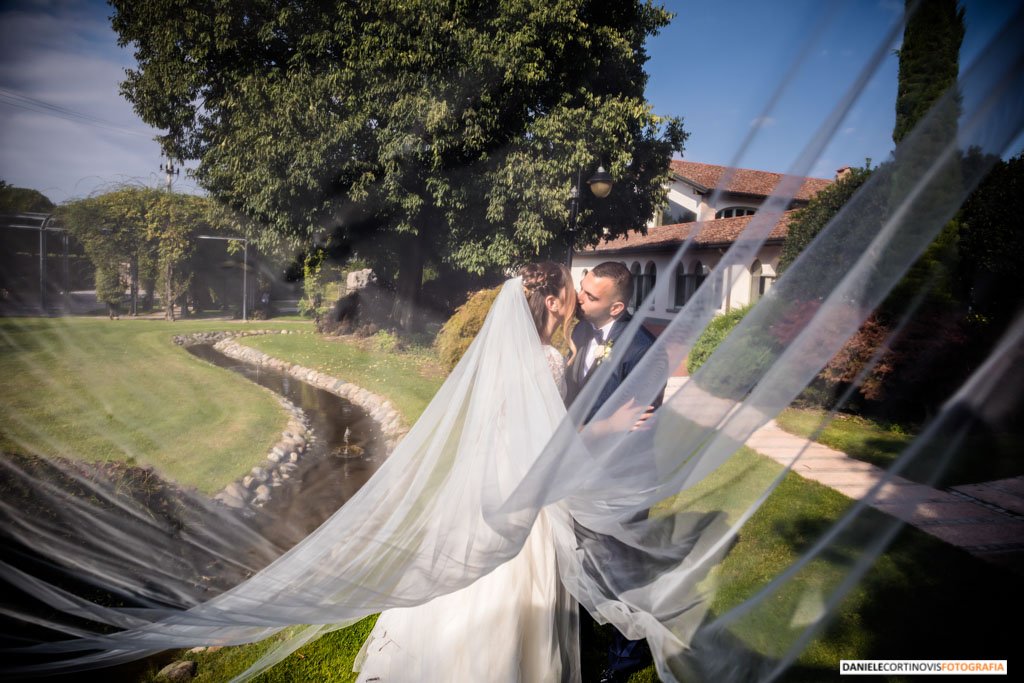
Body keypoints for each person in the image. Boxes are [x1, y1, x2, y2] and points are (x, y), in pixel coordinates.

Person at [353, 261, 582, 682]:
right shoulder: (548, 359)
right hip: (526, 483)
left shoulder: (504, 358)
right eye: (570, 289)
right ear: (551, 301)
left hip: (489, 478)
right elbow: (546, 438)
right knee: (516, 576)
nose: (576, 297)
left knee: (466, 571)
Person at [564, 261, 665, 683]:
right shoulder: (582, 331)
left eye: (591, 296)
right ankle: (588, 634)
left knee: (623, 568)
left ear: (617, 307)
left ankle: (630, 652)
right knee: (585, 559)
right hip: (579, 467)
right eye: (582, 289)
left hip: (621, 476)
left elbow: (635, 429)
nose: (580, 299)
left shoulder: (643, 351)